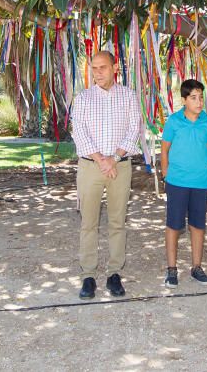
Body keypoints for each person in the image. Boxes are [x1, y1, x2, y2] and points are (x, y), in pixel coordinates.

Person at [70, 51, 141, 299]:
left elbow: (134, 129)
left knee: (117, 221)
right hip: (91, 166)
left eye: (103, 67)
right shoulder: (84, 98)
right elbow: (78, 132)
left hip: (120, 166)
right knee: (88, 222)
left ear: (114, 68)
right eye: (94, 68)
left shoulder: (129, 96)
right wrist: (101, 159)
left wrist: (115, 158)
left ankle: (114, 273)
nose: (98, 72)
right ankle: (88, 276)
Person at [160, 79, 207, 288]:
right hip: (177, 181)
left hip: (201, 182)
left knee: (198, 225)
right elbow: (164, 149)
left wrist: (202, 169)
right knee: (174, 225)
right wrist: (166, 173)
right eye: (193, 98)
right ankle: (172, 269)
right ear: (184, 100)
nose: (199, 102)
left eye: (201, 97)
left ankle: (196, 267)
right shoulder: (174, 121)